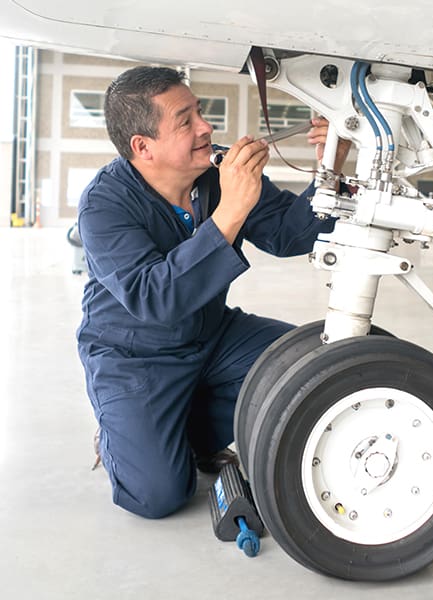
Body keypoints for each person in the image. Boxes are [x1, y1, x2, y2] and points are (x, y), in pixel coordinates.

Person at [77, 65, 350, 518]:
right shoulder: (104, 206)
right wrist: (233, 210)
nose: (206, 127)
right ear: (142, 147)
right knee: (159, 496)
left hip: (211, 335)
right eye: (185, 121)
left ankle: (184, 428)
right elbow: (155, 298)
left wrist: (330, 166)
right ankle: (120, 435)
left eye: (199, 112)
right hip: (136, 354)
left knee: (307, 363)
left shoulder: (216, 170)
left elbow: (290, 234)